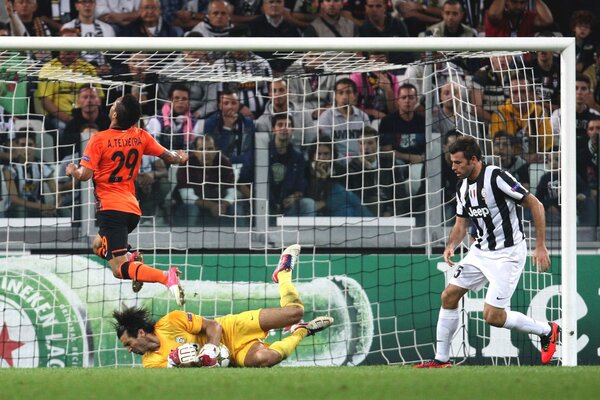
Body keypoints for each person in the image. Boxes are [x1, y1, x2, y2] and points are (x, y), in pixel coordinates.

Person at [415, 135, 559, 368]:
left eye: (458, 162)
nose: (453, 167)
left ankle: (547, 330)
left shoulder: (497, 177)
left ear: (473, 160)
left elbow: (536, 204)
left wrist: (540, 245)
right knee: (449, 296)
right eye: (452, 162)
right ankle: (441, 359)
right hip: (480, 252)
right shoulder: (462, 187)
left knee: (493, 316)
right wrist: (451, 245)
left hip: (508, 254)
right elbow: (461, 224)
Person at [114, 244, 334, 368]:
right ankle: (302, 332)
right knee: (266, 359)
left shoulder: (170, 322)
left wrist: (211, 348)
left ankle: (283, 273)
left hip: (231, 329)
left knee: (294, 312)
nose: (129, 349)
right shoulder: (150, 364)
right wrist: (179, 364)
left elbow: (213, 327)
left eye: (128, 343)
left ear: (141, 332)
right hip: (230, 356)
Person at [65, 94, 189, 306]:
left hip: (112, 211)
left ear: (114, 114)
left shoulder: (98, 139)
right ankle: (132, 256)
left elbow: (85, 176)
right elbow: (170, 157)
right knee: (97, 245)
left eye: (114, 103)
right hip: (132, 209)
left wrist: (73, 171)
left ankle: (165, 277)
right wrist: (181, 157)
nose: (112, 104)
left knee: (119, 269)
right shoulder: (140, 135)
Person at [485, 0, 554, 38]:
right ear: (506, 2)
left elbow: (547, 20)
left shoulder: (528, 16)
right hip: (497, 61)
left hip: (524, 63)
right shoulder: (499, 14)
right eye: (514, 2)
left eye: (522, 2)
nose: (518, 6)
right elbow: (494, 15)